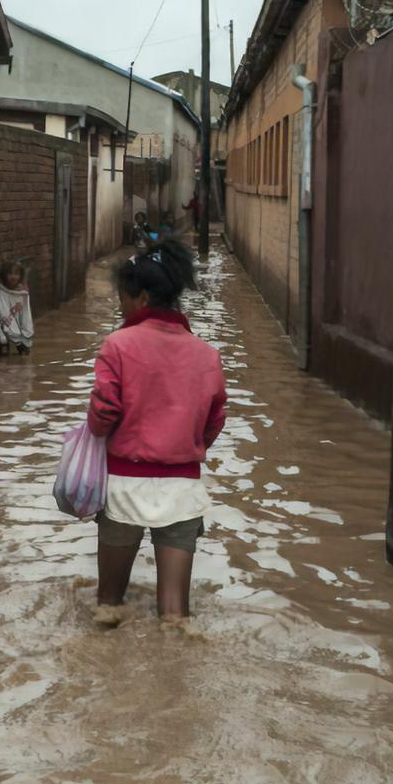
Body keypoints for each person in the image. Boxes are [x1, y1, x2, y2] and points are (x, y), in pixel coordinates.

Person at [87, 238, 226, 625]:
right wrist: (187, 442)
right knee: (175, 617)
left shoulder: (117, 345)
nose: (120, 305)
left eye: (123, 297)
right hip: (182, 489)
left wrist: (98, 429)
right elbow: (214, 421)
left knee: (108, 607)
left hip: (123, 488)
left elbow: (103, 414)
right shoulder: (206, 354)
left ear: (142, 297)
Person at [0, 261, 34, 356]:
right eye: (10, 274)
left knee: (24, 352)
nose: (13, 277)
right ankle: (3, 346)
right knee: (3, 347)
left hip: (17, 321)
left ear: (20, 276)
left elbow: (25, 312)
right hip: (2, 321)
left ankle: (20, 345)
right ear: (4, 275)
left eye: (16, 274)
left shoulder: (23, 292)